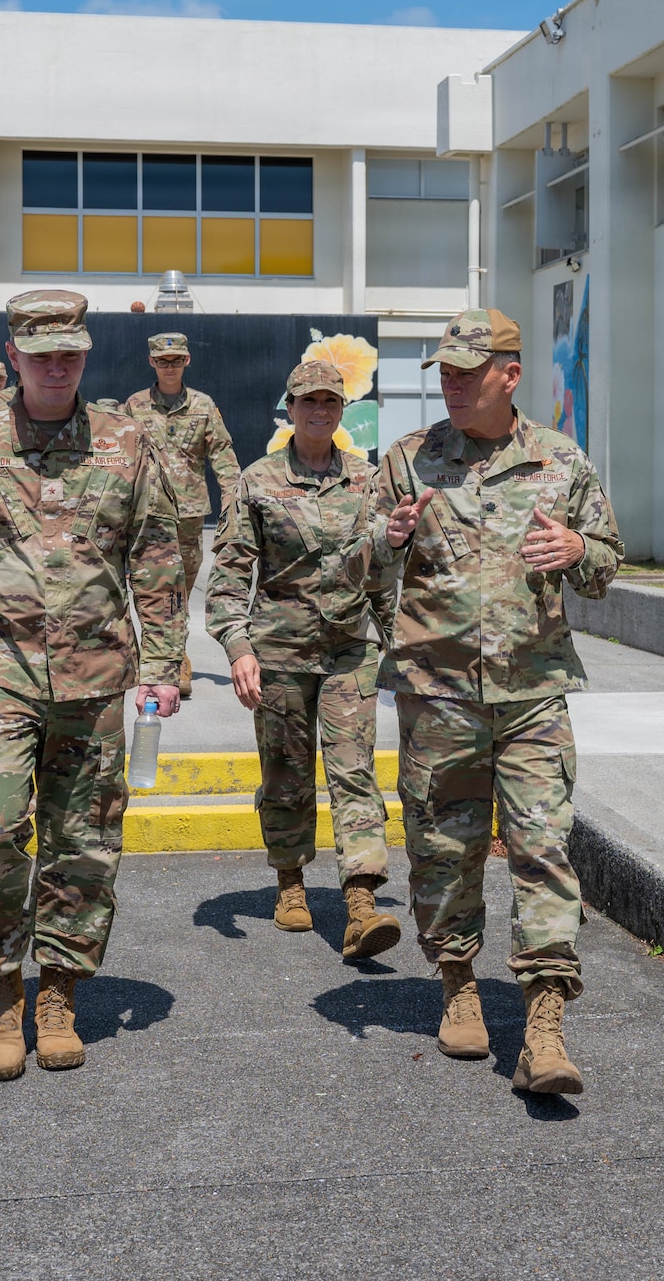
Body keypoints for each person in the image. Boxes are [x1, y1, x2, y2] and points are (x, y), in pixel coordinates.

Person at [0, 289, 187, 1083]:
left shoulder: (126, 441)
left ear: (86, 355)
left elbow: (157, 556)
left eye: (71, 354)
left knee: (83, 843)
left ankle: (57, 991)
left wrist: (164, 663)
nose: (58, 367)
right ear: (13, 356)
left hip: (96, 673)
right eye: (42, 354)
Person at [375, 308, 622, 1096]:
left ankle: (544, 1026)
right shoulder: (408, 461)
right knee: (443, 850)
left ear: (509, 375)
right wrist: (384, 540)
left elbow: (606, 561)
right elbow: (351, 567)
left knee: (542, 847)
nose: (450, 383)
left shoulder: (560, 460)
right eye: (444, 372)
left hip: (532, 693)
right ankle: (458, 984)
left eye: (466, 372)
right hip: (437, 696)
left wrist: (578, 548)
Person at [207, 359, 401, 957]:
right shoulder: (256, 481)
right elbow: (229, 576)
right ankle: (290, 882)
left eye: (330, 402)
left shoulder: (368, 481)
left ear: (342, 410)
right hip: (279, 652)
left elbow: (383, 572)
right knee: (286, 774)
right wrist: (238, 648)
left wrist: (401, 646)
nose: (320, 411)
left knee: (353, 769)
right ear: (289, 408)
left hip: (349, 650)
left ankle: (361, 901)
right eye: (308, 401)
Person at [124, 332, 240, 698]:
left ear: (187, 360)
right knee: (149, 587)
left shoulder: (203, 406)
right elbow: (122, 457)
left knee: (180, 591)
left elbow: (222, 455)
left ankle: (174, 655)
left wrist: (233, 501)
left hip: (188, 516)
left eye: (176, 360)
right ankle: (164, 659)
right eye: (163, 361)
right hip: (148, 514)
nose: (170, 366)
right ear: (152, 362)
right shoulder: (135, 405)